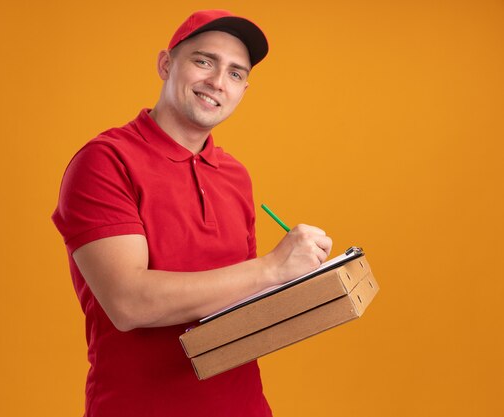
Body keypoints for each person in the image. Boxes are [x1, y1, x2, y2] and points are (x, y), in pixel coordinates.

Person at [52, 9, 332, 417]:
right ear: (166, 65)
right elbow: (128, 302)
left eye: (236, 73)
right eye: (204, 61)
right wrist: (273, 267)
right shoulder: (105, 161)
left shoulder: (236, 175)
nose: (217, 82)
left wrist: (308, 283)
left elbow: (242, 301)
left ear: (244, 90)